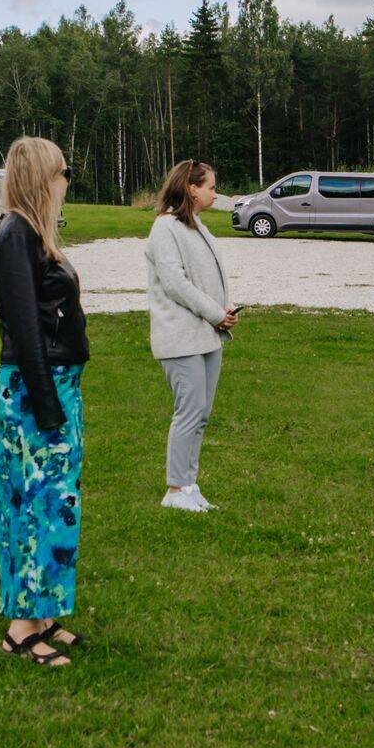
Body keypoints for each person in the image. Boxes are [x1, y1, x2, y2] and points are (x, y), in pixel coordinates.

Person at [0, 136, 90, 667]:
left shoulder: (33, 235)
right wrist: (49, 410)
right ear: (39, 178)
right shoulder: (15, 237)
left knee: (55, 503)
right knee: (38, 505)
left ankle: (44, 611)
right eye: (61, 172)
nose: (67, 181)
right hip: (36, 393)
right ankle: (21, 627)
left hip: (53, 388)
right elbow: (26, 332)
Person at [145, 160, 238, 513]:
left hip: (206, 335)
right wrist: (216, 313)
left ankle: (189, 484)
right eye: (211, 187)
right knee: (189, 410)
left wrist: (224, 310)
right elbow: (175, 283)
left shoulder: (195, 226)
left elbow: (207, 277)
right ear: (191, 188)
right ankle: (175, 489)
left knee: (201, 412)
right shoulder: (165, 228)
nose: (215, 193)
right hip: (180, 336)